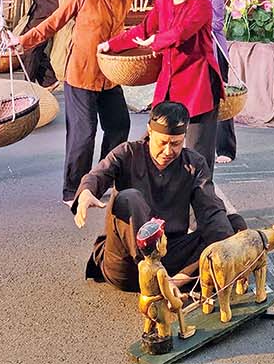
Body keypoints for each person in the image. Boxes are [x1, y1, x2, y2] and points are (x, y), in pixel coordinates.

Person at [9, 0, 163, 205]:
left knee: (118, 126)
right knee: (84, 134)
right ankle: (73, 191)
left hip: (110, 74)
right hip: (81, 75)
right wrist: (22, 41)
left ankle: (101, 181)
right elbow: (53, 23)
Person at [73, 102, 238, 292]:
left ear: (184, 137)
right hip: (127, 264)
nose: (168, 151)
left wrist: (228, 247)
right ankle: (154, 274)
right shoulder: (128, 152)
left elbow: (210, 210)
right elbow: (98, 175)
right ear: (149, 132)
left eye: (176, 144)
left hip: (169, 255)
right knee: (129, 198)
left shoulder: (194, 163)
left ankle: (175, 282)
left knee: (231, 225)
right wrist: (86, 192)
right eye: (162, 143)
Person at [101, 0, 223, 174]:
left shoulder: (201, 5)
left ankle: (203, 203)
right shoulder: (163, 2)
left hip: (199, 85)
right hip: (170, 83)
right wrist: (112, 44)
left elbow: (181, 33)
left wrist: (155, 41)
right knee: (158, 144)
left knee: (198, 153)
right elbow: (142, 30)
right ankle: (159, 194)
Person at [193, 0, 235, 165]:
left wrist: (195, 23)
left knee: (221, 98)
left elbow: (218, 23)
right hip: (197, 48)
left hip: (215, 48)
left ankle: (226, 148)